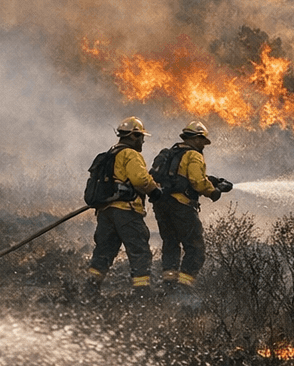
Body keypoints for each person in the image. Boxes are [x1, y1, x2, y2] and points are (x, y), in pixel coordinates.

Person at [151, 120, 231, 293]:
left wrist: (212, 180)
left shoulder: (171, 153)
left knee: (171, 244)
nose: (204, 145)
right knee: (195, 247)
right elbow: (197, 182)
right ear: (196, 138)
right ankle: (183, 287)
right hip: (181, 206)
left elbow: (180, 177)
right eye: (203, 141)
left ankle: (169, 285)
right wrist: (214, 191)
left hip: (161, 205)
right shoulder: (194, 155)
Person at [85, 116, 161, 297]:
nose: (142, 141)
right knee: (140, 251)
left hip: (106, 212)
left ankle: (90, 290)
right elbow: (140, 179)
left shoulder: (110, 154)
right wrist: (154, 190)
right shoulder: (130, 154)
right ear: (133, 136)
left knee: (104, 252)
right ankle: (142, 294)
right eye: (141, 137)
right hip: (126, 212)